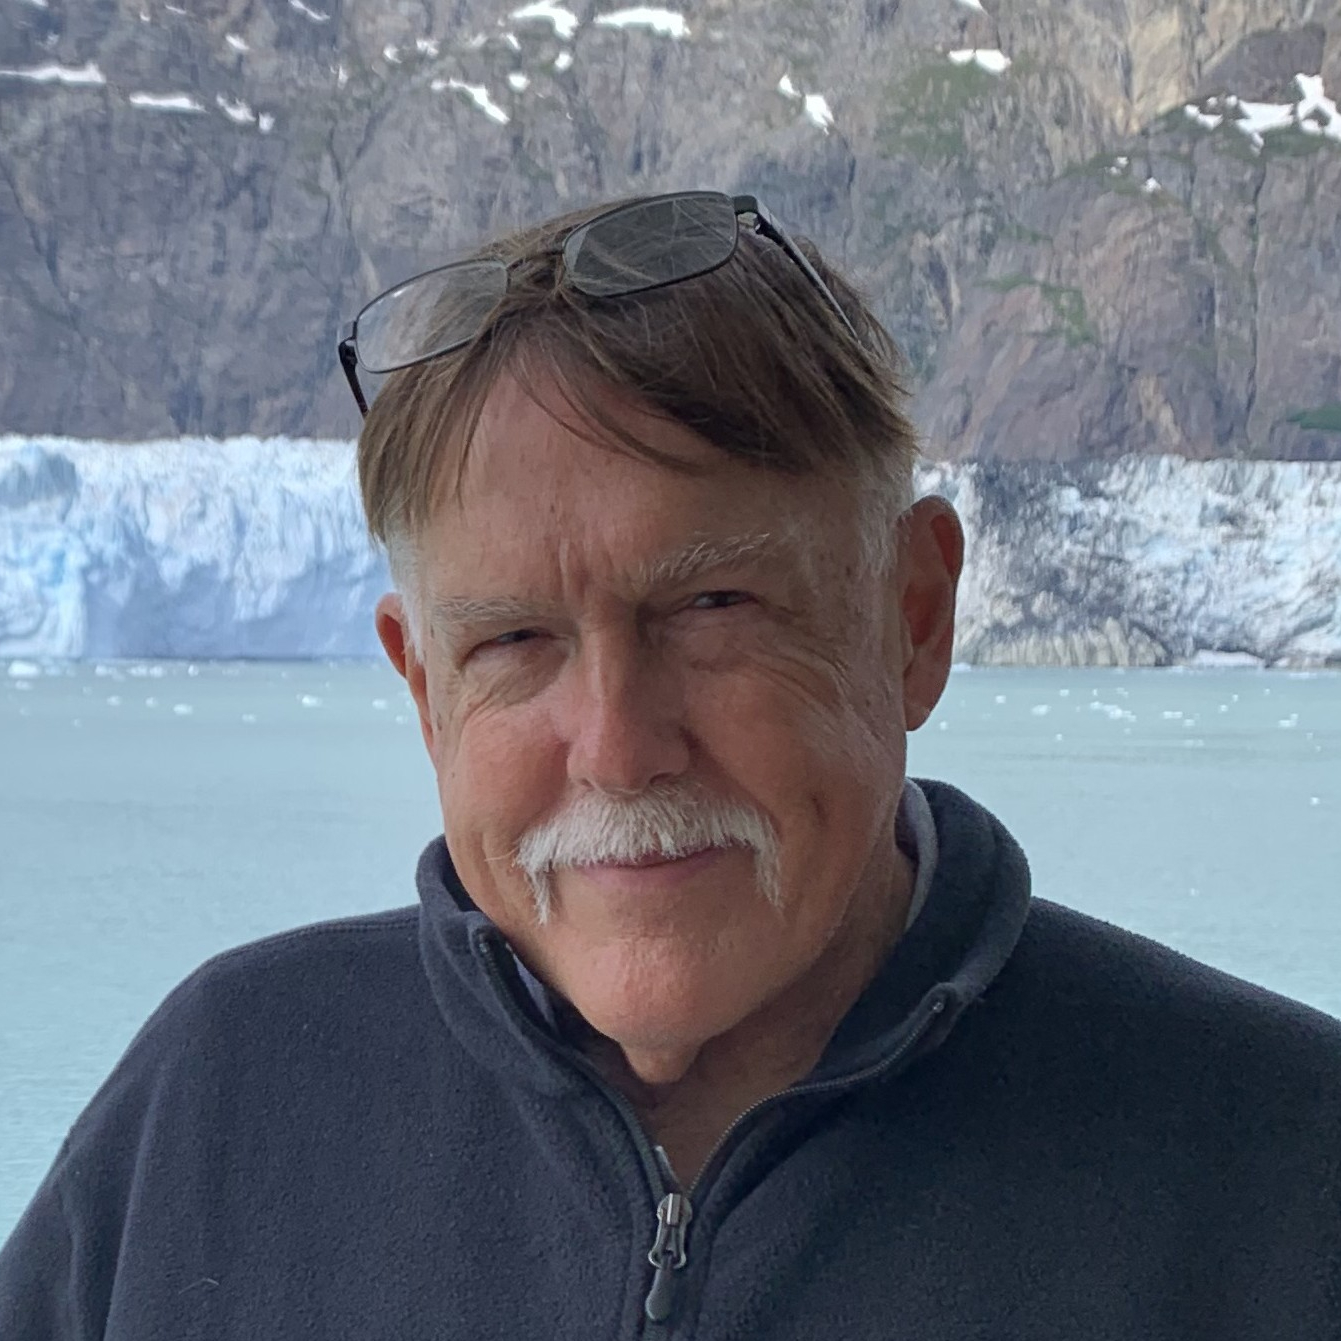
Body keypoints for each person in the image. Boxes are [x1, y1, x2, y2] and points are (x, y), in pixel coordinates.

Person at [2, 190, 1338, 1338]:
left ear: (912, 619)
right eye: (513, 640)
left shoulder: (1283, 1172)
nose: (619, 748)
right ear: (423, 692)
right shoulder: (219, 1108)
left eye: (711, 607)